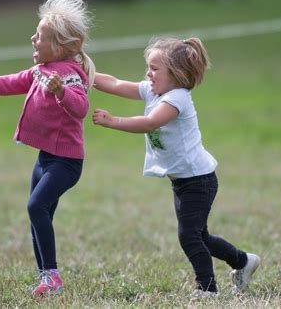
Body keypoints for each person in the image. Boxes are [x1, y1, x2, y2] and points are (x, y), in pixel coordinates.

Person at [0, 0, 95, 297]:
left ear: (62, 47)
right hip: (45, 158)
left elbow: (80, 108)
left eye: (40, 36)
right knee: (39, 213)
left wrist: (61, 92)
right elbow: (10, 81)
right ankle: (46, 277)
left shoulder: (68, 75)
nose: (33, 39)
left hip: (66, 163)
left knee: (36, 206)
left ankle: (52, 277)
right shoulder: (41, 71)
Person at [92, 37, 260, 298]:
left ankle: (207, 289)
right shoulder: (153, 89)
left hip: (198, 180)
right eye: (148, 67)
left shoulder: (177, 98)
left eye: (155, 68)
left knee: (189, 236)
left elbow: (150, 122)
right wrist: (85, 72)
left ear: (177, 73)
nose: (149, 73)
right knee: (200, 236)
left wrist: (114, 121)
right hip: (183, 181)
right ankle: (243, 261)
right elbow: (114, 84)